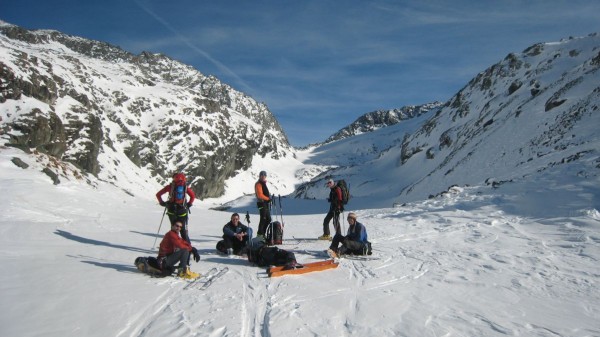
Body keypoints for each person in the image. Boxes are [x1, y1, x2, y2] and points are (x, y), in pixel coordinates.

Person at [156, 172, 196, 243]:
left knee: (174, 228)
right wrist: (189, 204)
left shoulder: (170, 187)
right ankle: (188, 247)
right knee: (182, 229)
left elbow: (158, 194)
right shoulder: (185, 187)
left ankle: (173, 246)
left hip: (171, 210)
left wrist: (162, 203)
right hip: (182, 211)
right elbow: (193, 196)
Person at [255, 170, 271, 238]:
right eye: (261, 175)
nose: (263, 177)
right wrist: (268, 199)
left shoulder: (263, 184)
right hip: (261, 204)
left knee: (268, 219)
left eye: (264, 176)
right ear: (260, 176)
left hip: (265, 204)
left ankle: (262, 234)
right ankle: (260, 234)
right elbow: (259, 195)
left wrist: (268, 200)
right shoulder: (259, 184)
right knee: (263, 219)